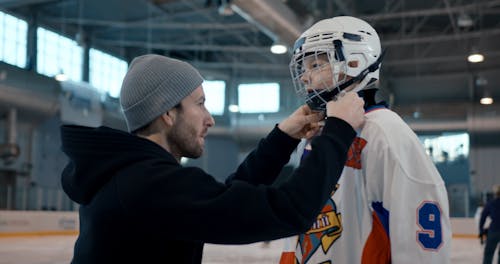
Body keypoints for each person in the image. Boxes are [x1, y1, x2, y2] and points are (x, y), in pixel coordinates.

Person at [60, 54, 366, 263]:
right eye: (200, 104)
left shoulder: (132, 177)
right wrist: (338, 130)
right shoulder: (146, 186)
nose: (209, 118)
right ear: (168, 113)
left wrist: (282, 138)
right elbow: (289, 211)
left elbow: (226, 196)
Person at [280, 16, 451, 264]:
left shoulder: (384, 131)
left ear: (355, 61)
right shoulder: (318, 133)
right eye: (303, 68)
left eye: (316, 65)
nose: (305, 77)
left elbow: (421, 237)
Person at [479, 185, 500, 264]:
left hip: (494, 231)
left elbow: (483, 217)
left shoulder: (491, 203)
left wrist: (481, 230)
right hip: (494, 230)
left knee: (488, 253)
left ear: (496, 193)